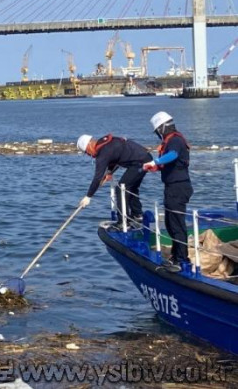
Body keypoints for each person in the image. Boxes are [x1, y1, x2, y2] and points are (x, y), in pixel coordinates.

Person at [142, 111, 193, 272]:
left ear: (163, 128)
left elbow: (172, 155)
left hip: (178, 187)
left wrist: (155, 161)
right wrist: (156, 167)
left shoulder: (176, 140)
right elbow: (170, 161)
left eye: (158, 131)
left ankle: (182, 259)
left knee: (177, 224)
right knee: (171, 224)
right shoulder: (172, 141)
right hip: (172, 187)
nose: (158, 134)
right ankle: (175, 256)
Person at [77, 133, 153, 223]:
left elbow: (97, 177)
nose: (89, 155)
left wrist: (88, 196)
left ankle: (123, 222)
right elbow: (115, 157)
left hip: (141, 162)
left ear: (89, 145)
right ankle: (137, 215)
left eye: (86, 152)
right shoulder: (105, 143)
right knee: (131, 187)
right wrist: (109, 172)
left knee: (121, 188)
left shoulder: (102, 153)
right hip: (144, 158)